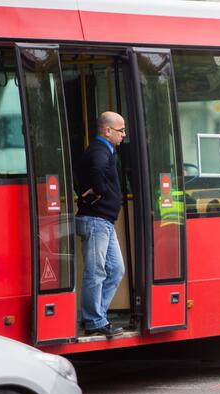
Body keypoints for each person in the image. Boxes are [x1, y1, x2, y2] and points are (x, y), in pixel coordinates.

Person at [75, 112, 126, 337]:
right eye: (120, 130)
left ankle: (97, 316)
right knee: (96, 273)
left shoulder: (105, 150)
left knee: (116, 270)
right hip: (96, 221)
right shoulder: (99, 151)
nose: (124, 134)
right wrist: (102, 192)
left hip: (104, 221)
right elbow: (96, 172)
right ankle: (94, 320)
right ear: (107, 130)